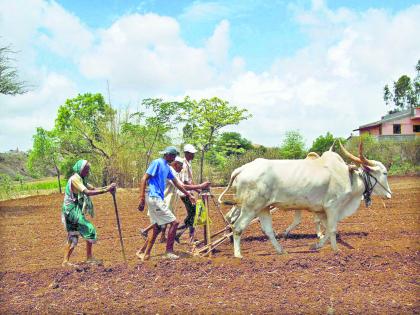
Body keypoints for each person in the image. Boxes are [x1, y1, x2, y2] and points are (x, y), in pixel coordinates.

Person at [136, 146, 196, 261]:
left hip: (157, 199)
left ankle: (144, 253)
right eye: (172, 156)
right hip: (154, 198)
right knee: (175, 223)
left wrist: (188, 194)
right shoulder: (157, 163)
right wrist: (142, 198)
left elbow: (177, 184)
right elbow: (144, 178)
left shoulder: (167, 168)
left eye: (174, 156)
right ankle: (169, 251)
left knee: (157, 228)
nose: (173, 158)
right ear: (167, 154)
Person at [140, 156, 210, 243]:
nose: (181, 169)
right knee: (169, 221)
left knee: (164, 220)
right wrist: (200, 186)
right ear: (176, 164)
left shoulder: (172, 172)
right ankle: (166, 245)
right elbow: (182, 185)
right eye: (181, 166)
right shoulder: (170, 171)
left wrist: (189, 194)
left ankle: (155, 237)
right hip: (164, 199)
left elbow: (179, 185)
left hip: (169, 199)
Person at [61, 159, 116, 267]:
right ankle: (89, 258)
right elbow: (87, 192)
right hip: (71, 210)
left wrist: (108, 188)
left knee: (73, 235)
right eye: (86, 169)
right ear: (80, 169)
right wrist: (106, 190)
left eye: (88, 170)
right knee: (89, 229)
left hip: (70, 210)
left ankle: (65, 261)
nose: (88, 172)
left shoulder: (82, 179)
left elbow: (94, 188)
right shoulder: (75, 179)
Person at [176, 144, 200, 243]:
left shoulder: (188, 163)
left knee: (192, 214)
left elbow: (190, 180)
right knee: (193, 214)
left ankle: (182, 234)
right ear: (186, 153)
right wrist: (198, 188)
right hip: (185, 193)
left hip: (188, 191)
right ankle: (180, 234)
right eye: (191, 153)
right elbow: (185, 181)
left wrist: (197, 189)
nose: (193, 155)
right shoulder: (184, 164)